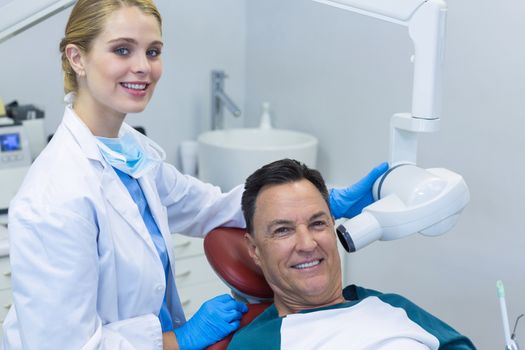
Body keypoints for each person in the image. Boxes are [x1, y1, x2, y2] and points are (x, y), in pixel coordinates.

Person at [1, 1, 388, 349]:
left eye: (153, 52)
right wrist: (176, 340)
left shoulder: (127, 150)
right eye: (122, 50)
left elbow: (206, 206)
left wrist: (323, 203)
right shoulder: (54, 198)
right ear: (77, 58)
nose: (143, 67)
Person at [229, 159, 476, 350]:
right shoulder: (259, 341)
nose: (307, 244)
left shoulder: (392, 306)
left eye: (317, 223)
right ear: (254, 250)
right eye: (283, 230)